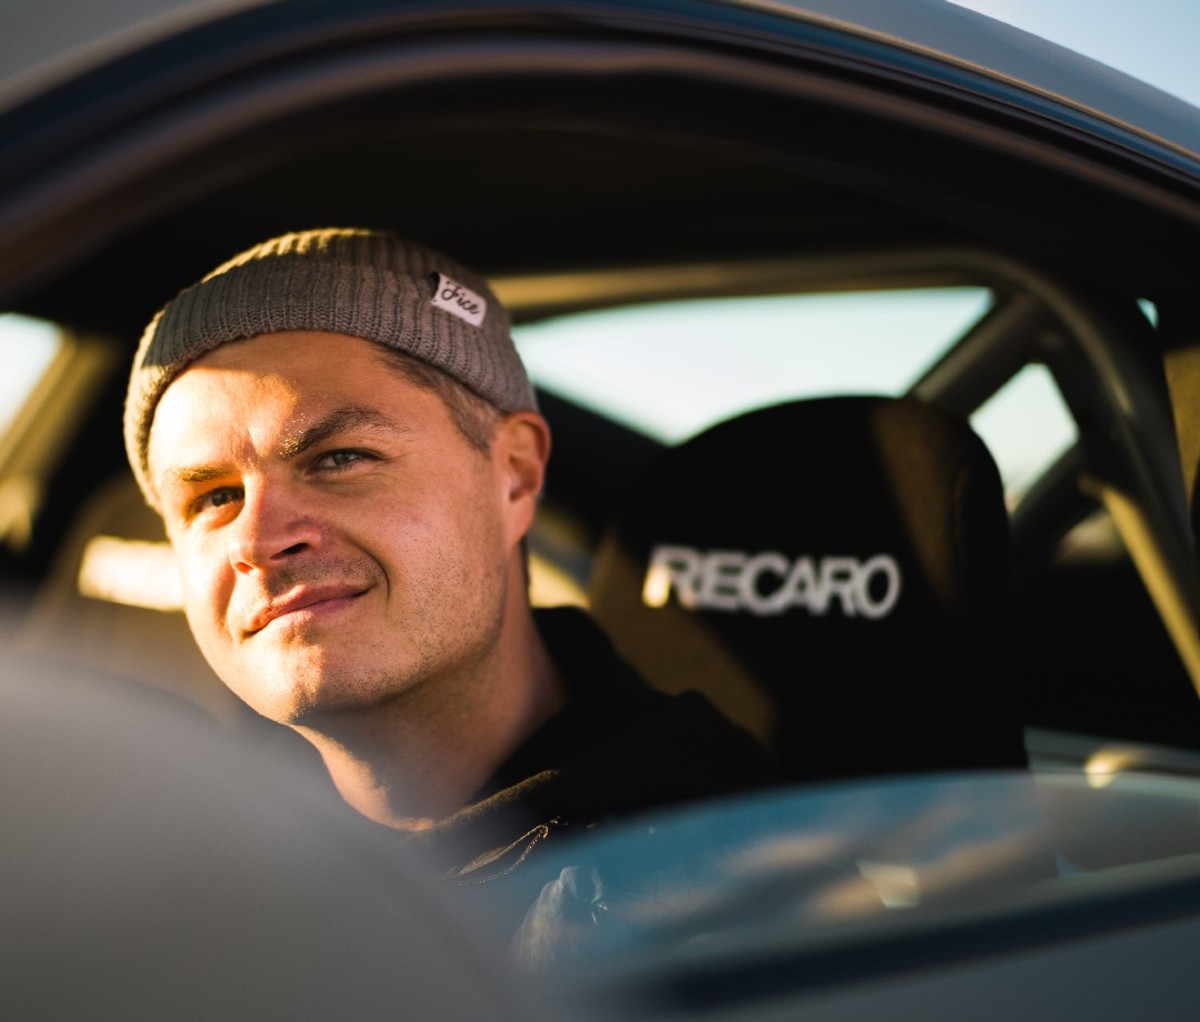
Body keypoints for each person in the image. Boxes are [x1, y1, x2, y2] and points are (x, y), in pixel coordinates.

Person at [123, 227, 775, 886]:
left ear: (514, 476)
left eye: (341, 459)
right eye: (213, 499)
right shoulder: (156, 852)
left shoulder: (721, 879)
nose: (258, 542)